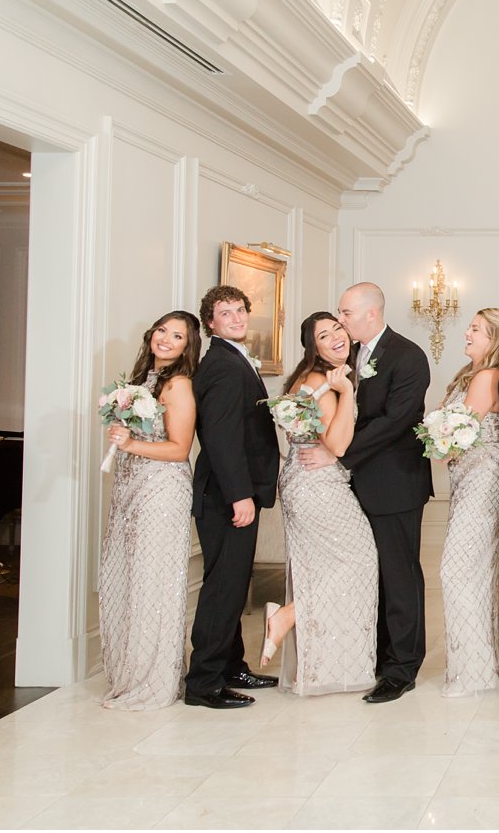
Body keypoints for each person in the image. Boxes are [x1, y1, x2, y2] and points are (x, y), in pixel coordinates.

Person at [300, 282, 433, 704]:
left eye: (345, 313)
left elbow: (396, 420)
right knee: (367, 574)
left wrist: (337, 454)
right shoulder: (349, 356)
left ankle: (402, 666)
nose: (340, 321)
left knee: (399, 574)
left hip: (395, 482)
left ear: (370, 313)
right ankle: (374, 655)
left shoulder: (408, 355)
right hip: (354, 484)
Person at [260, 312, 378, 696]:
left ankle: (321, 669)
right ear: (314, 347)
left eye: (338, 329)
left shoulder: (308, 377)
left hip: (302, 479)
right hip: (317, 484)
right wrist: (346, 393)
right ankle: (287, 615)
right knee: (359, 559)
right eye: (324, 335)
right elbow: (338, 445)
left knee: (320, 568)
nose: (336, 337)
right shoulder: (321, 382)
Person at [183, 286, 280, 709]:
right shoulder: (222, 366)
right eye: (226, 312)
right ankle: (204, 682)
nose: (237, 317)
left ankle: (231, 666)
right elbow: (221, 439)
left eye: (240, 309)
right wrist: (239, 495)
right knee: (223, 587)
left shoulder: (233, 358)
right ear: (211, 322)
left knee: (233, 583)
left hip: (232, 492)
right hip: (226, 495)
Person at [99, 310, 201, 709]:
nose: (166, 339)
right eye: (163, 330)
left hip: (162, 493)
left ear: (186, 347)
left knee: (152, 583)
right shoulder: (141, 380)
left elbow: (179, 449)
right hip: (130, 487)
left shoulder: (178, 385)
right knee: (126, 578)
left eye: (177, 336)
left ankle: (154, 681)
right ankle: (129, 672)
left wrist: (130, 444)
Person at [437, 309, 499, 697]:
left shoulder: (488, 376)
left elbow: (458, 434)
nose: (467, 333)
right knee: (475, 570)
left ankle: (474, 671)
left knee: (458, 571)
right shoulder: (471, 373)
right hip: (468, 479)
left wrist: (437, 443)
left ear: (494, 340)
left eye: (476, 329)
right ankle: (478, 666)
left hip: (482, 479)